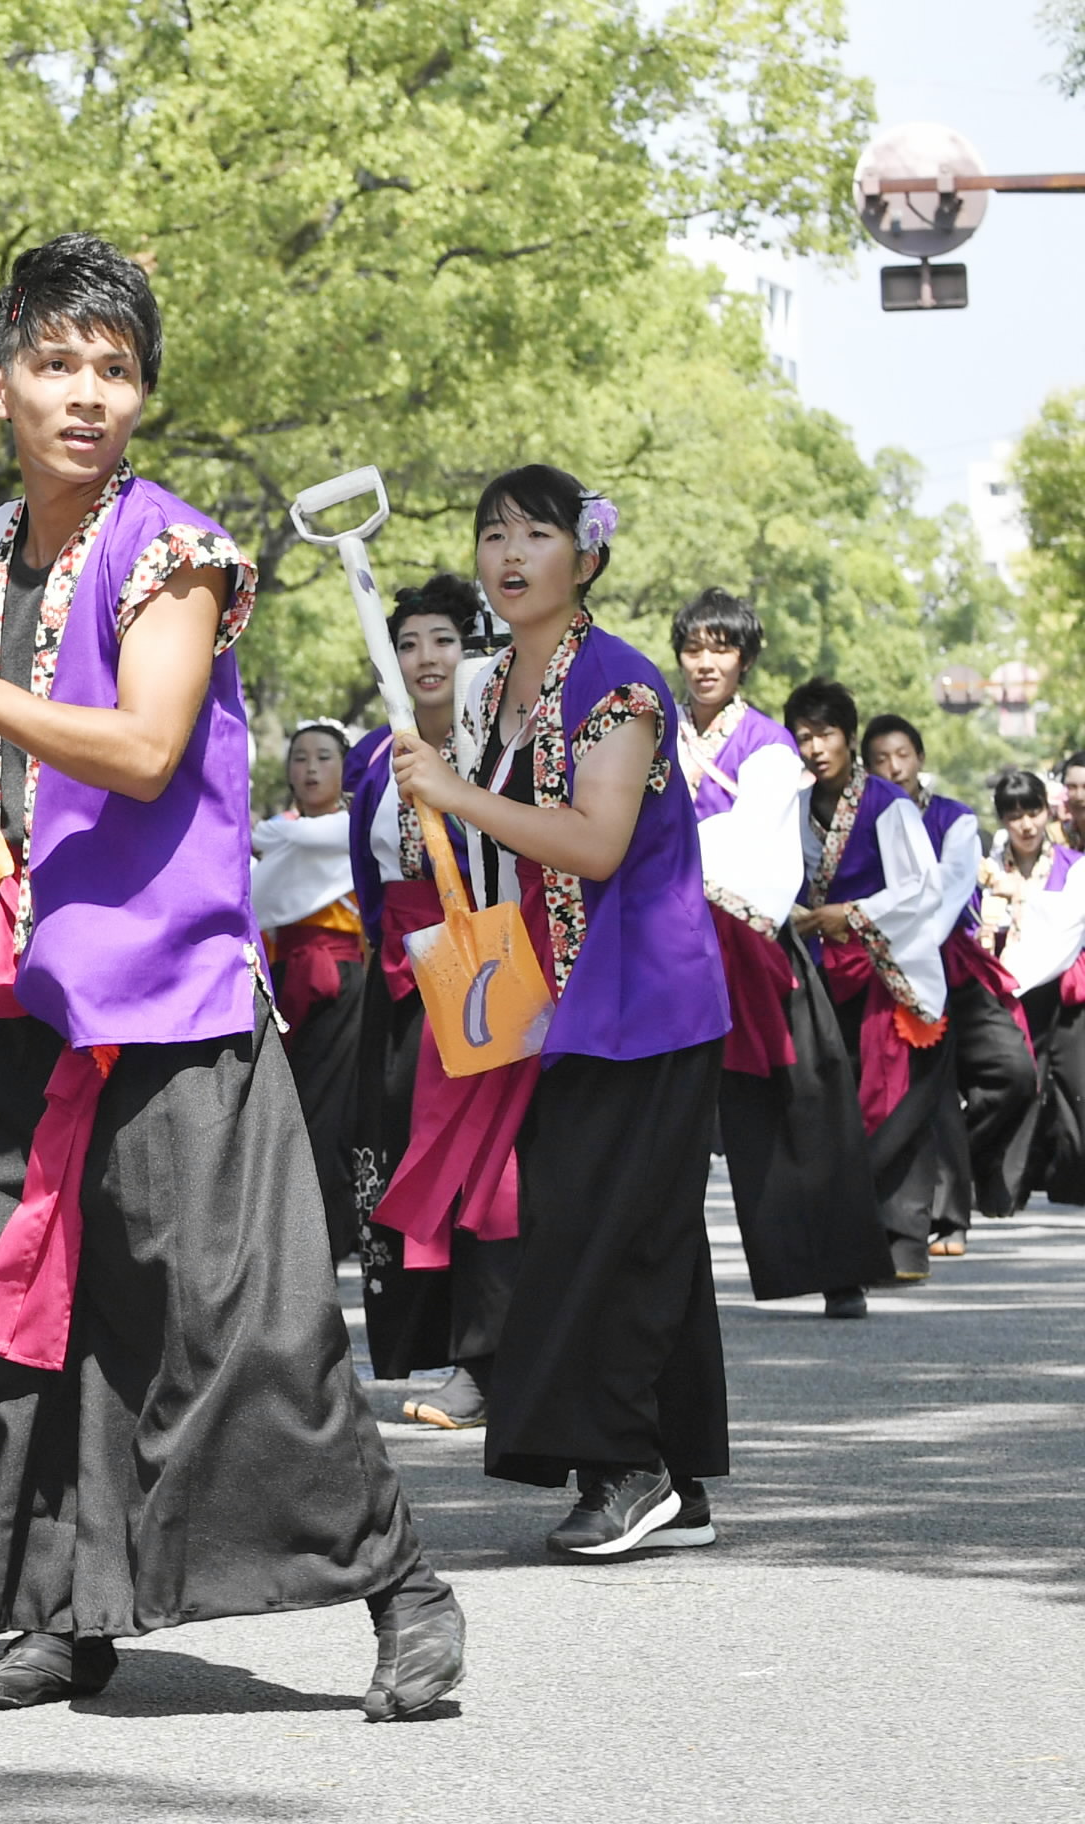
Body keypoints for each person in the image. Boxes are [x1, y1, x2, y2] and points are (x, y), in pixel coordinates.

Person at [0, 235, 460, 1717]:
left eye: (116, 369)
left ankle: (400, 1581)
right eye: (57, 364)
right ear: (0, 383)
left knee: (239, 1333)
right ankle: (57, 1611)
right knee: (12, 1316)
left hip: (167, 1003)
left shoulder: (175, 551)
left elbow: (148, 751)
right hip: (11, 999)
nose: (87, 394)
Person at [391, 465, 732, 1558]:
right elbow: (495, 836)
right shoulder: (494, 691)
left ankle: (629, 1471)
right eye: (495, 534)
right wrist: (434, 797)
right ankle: (671, 1480)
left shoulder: (622, 686)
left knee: (602, 1233)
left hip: (649, 996)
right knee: (635, 1235)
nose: (511, 553)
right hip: (558, 998)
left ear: (585, 556)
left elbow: (595, 842)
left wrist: (458, 794)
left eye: (538, 532)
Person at [674, 592, 884, 1319]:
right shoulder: (653, 730)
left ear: (745, 659)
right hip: (667, 935)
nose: (706, 663)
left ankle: (837, 1267)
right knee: (660, 1109)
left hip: (749, 930)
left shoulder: (766, 741)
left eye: (720, 649)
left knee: (804, 1102)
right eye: (695, 648)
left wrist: (665, 860)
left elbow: (754, 837)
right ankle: (650, 1273)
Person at [347, 574, 518, 1428]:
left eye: (443, 641)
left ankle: (489, 1357)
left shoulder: (501, 744)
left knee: (489, 1170)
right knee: (402, 1163)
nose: (424, 658)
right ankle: (435, 1345)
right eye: (408, 642)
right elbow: (369, 877)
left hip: (484, 968)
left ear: (472, 648)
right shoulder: (380, 756)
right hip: (403, 981)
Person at [783, 680, 962, 1283]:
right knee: (835, 1103)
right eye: (804, 736)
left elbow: (922, 886)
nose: (815, 748)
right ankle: (848, 1240)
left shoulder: (887, 803)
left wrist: (853, 914)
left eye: (826, 733)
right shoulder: (795, 805)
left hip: (884, 971)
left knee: (896, 1104)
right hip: (821, 971)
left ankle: (906, 1240)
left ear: (850, 737)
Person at [865, 713, 1029, 1250]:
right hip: (885, 965)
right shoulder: (865, 815)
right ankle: (948, 1219)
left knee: (1014, 1073)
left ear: (921, 758)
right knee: (922, 1093)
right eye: (881, 758)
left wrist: (913, 950)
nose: (894, 766)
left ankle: (967, 1161)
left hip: (948, 958)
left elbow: (953, 889)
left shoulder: (955, 818)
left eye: (903, 754)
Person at [253, 718, 364, 1255]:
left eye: (324, 756)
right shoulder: (279, 832)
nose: (311, 767)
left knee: (329, 1106)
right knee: (292, 1102)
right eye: (300, 758)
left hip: (342, 978)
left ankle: (325, 1232)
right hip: (288, 975)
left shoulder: (351, 827)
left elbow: (285, 840)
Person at [982, 771, 1085, 1208]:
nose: (1025, 824)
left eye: (1033, 812)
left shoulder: (1071, 864)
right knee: (1018, 1085)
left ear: (1048, 811)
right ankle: (1003, 1187)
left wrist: (1022, 897)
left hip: (1063, 988)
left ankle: (1071, 1179)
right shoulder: (985, 869)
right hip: (1005, 988)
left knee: (1074, 1085)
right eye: (1014, 815)